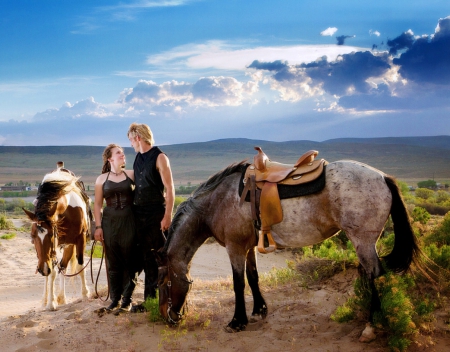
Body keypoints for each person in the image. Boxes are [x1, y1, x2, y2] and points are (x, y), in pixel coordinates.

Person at [127, 123, 175, 312]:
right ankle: (150, 301)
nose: (130, 144)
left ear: (138, 137)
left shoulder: (160, 157)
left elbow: (170, 188)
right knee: (147, 258)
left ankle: (167, 301)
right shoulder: (138, 158)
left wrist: (167, 215)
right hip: (140, 214)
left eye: (131, 140)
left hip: (157, 213)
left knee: (160, 257)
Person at [94, 144, 137, 313]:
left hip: (129, 221)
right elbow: (97, 205)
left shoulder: (132, 174)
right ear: (110, 158)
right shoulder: (101, 179)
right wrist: (98, 227)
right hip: (109, 223)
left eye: (123, 153)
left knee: (130, 261)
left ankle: (127, 300)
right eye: (118, 153)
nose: (123, 155)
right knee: (113, 263)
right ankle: (115, 299)